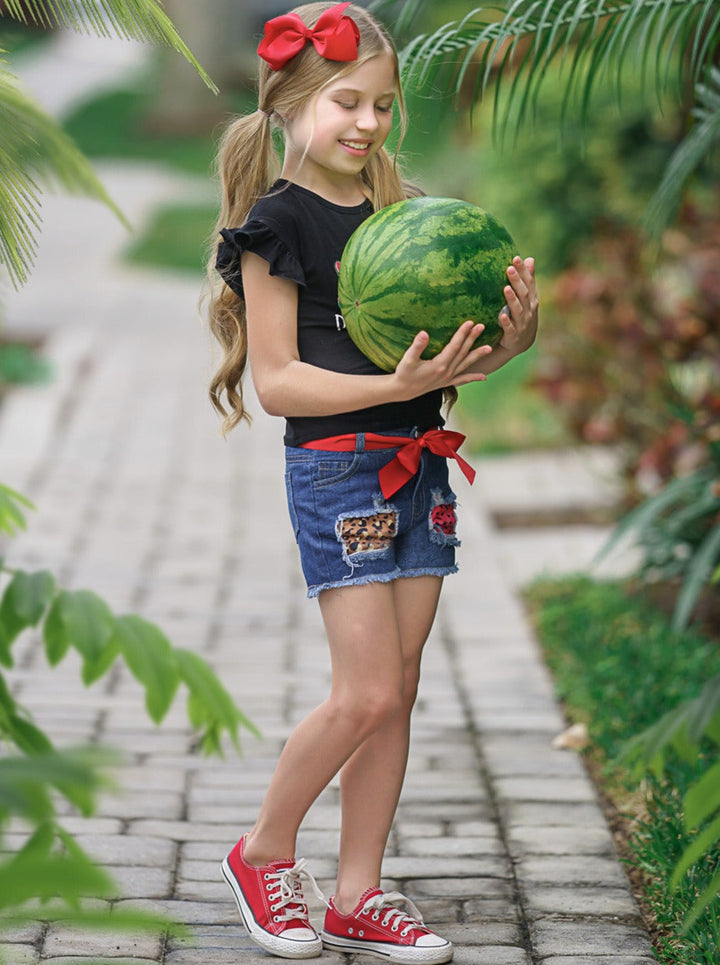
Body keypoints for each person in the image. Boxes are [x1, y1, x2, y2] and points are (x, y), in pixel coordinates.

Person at [206, 3, 538, 961]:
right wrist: (391, 386)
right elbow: (278, 382)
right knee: (360, 693)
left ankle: (357, 891)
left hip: (418, 464)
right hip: (339, 470)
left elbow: (453, 362)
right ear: (289, 106)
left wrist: (511, 341)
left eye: (383, 105)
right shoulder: (277, 223)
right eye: (346, 101)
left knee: (397, 686)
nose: (367, 123)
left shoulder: (405, 214)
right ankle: (263, 850)